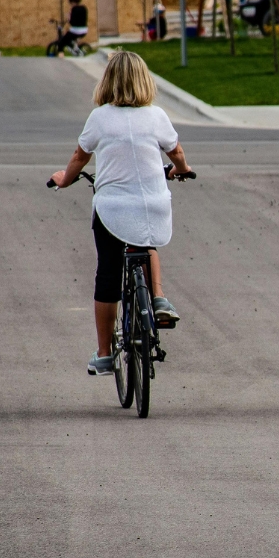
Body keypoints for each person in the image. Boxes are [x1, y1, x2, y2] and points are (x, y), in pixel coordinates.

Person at [50, 50, 193, 376]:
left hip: (113, 209)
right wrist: (182, 169)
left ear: (108, 82)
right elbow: (176, 151)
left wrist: (64, 179)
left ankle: (104, 354)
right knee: (145, 242)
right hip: (152, 205)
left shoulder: (100, 117)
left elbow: (80, 157)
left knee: (108, 274)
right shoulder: (156, 116)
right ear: (145, 81)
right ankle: (159, 298)